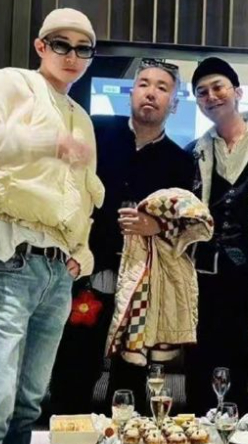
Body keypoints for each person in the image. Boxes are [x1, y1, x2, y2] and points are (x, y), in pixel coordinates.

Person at [0, 8, 104, 444]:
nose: (72, 56)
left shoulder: (81, 118)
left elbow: (81, 198)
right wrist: (43, 143)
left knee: (29, 404)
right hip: (7, 253)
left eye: (83, 48)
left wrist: (81, 253)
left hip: (56, 271)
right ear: (40, 46)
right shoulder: (12, 83)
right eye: (61, 44)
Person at [49, 58, 194, 415]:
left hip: (142, 283)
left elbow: (185, 225)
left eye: (162, 88)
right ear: (131, 93)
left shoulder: (181, 162)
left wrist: (156, 227)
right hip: (85, 273)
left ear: (174, 104)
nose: (151, 93)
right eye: (144, 84)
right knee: (72, 369)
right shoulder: (97, 133)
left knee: (129, 379)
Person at [184, 57, 248, 415]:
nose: (211, 96)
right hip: (205, 287)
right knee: (203, 380)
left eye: (218, 87)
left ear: (238, 92)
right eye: (202, 92)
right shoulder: (193, 153)